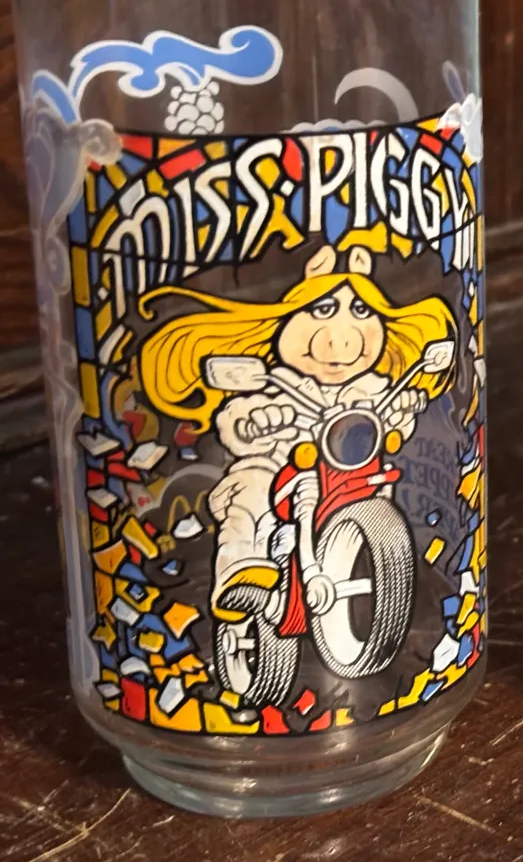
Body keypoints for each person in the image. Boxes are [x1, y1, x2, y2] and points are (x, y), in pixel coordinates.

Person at [137, 245, 456, 618]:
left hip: (348, 470)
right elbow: (237, 418)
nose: (342, 340)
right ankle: (241, 570)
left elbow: (389, 414)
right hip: (279, 468)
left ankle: (386, 577)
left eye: (361, 311)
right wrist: (258, 420)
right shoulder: (274, 382)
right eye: (321, 310)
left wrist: (404, 407)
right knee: (252, 489)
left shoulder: (370, 386)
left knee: (390, 480)